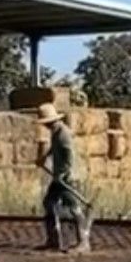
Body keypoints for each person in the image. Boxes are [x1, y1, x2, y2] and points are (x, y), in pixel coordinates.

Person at [36, 103, 92, 253]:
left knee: (74, 207)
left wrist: (64, 173)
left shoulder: (63, 133)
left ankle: (83, 242)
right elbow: (55, 148)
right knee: (49, 203)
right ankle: (54, 240)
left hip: (68, 178)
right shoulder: (56, 132)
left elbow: (69, 154)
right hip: (58, 177)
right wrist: (44, 157)